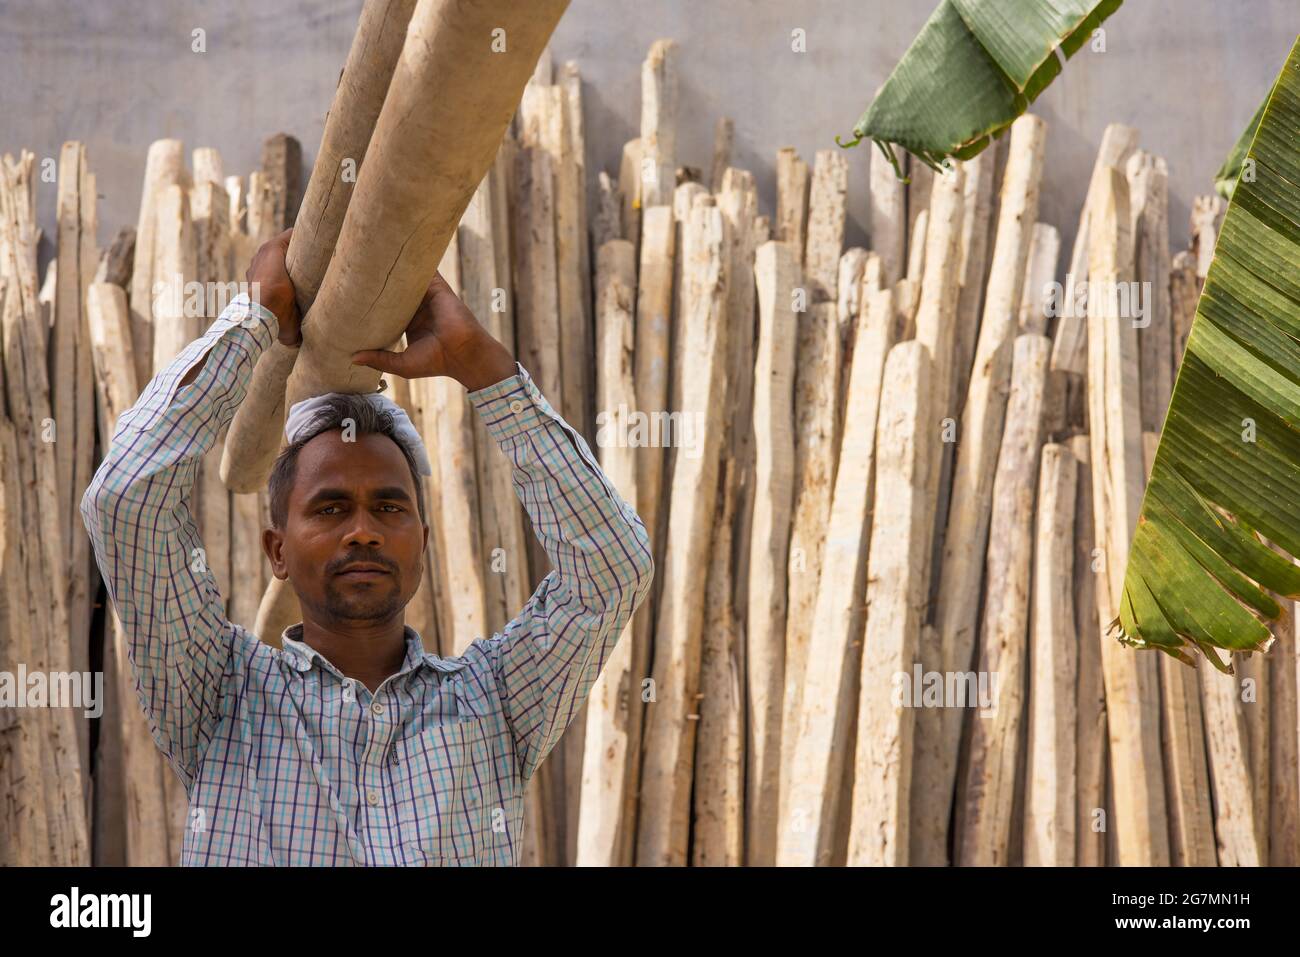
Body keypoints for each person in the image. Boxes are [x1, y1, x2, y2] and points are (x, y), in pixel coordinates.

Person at [80, 229, 655, 866]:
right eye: (330, 508)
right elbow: (125, 500)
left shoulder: (493, 703)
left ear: (424, 543)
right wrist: (255, 321)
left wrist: (482, 368)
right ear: (278, 551)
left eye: (388, 506)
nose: (363, 530)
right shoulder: (219, 694)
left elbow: (613, 567)